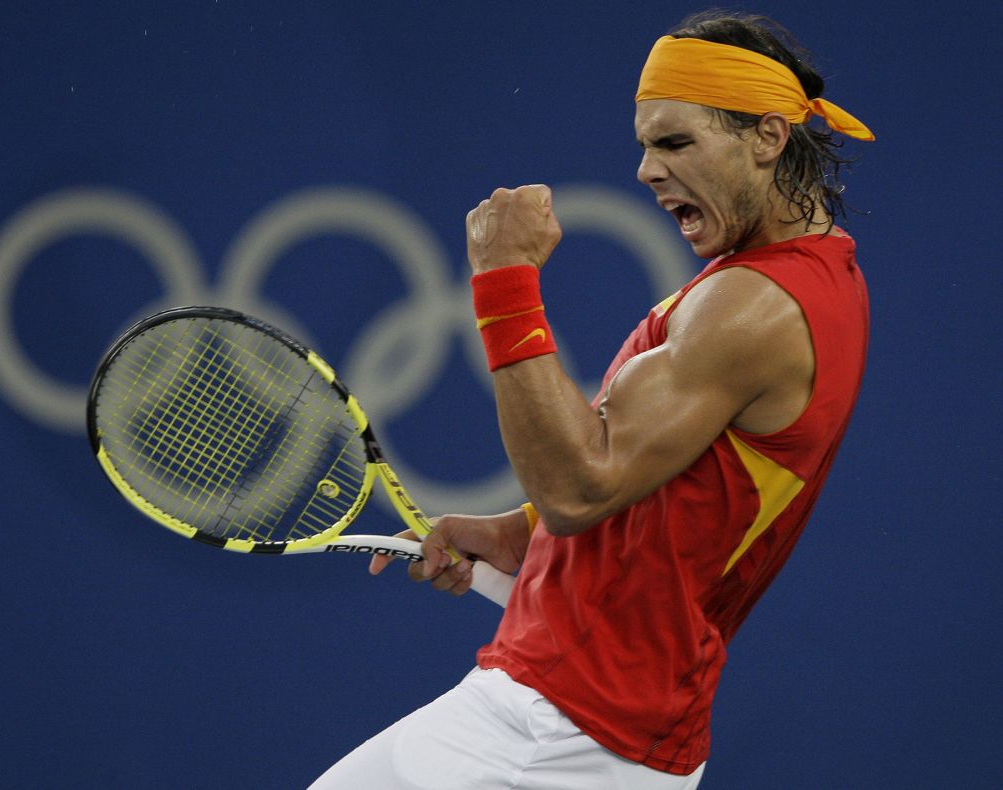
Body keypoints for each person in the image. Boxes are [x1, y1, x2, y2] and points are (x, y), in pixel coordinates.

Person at [310, 10, 873, 789]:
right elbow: (658, 489)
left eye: (675, 142)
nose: (646, 169)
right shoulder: (787, 278)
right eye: (644, 143)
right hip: (571, 719)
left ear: (769, 137)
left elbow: (581, 486)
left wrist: (504, 278)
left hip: (570, 732)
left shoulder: (757, 306)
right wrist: (524, 534)